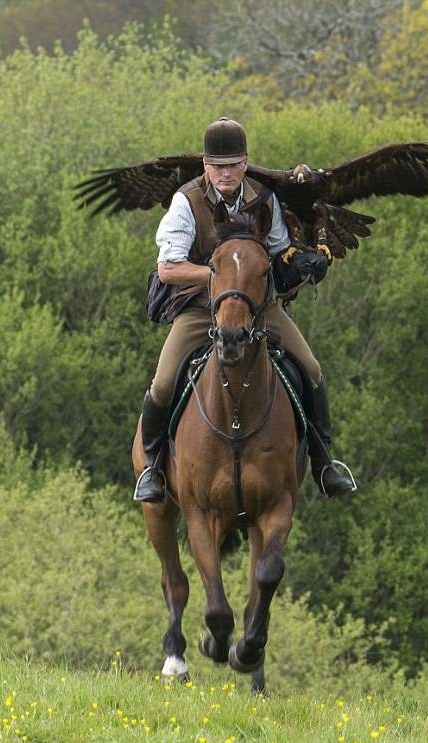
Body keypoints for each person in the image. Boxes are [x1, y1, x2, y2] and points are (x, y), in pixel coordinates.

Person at [134, 116, 357, 502]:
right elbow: (169, 269)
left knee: (312, 368)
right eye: (217, 166)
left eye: (233, 164)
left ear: (245, 163)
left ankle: (323, 463)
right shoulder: (186, 202)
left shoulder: (264, 199)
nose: (225, 173)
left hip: (258, 307)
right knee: (165, 381)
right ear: (205, 166)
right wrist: (222, 279)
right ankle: (152, 468)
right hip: (200, 305)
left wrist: (304, 265)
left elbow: (277, 255)